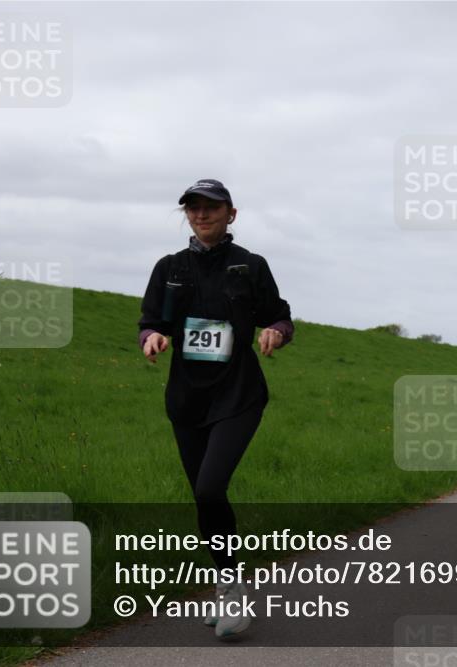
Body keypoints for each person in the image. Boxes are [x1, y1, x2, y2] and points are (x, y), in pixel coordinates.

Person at [138, 179, 293, 638]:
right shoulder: (169, 268)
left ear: (231, 213)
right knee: (206, 498)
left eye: (211, 208)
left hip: (238, 394)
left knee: (209, 488)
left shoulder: (250, 266)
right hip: (186, 398)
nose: (202, 215)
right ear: (186, 214)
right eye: (193, 208)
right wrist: (152, 338)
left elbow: (280, 314)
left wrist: (277, 332)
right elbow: (151, 321)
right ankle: (228, 583)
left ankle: (232, 589)